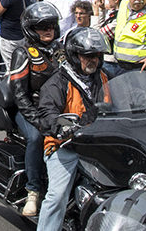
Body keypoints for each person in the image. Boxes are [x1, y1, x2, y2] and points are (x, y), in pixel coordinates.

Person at [36, 27, 111, 231]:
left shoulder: (103, 77)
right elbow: (46, 114)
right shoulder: (58, 82)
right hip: (66, 146)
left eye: (96, 55)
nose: (92, 60)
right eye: (87, 55)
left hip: (98, 144)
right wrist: (67, 126)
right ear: (75, 56)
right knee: (57, 195)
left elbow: (123, 99)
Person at [8, 2, 62, 217]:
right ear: (31, 29)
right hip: (30, 108)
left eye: (50, 25)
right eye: (42, 26)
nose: (48, 30)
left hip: (56, 108)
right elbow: (19, 93)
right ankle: (33, 191)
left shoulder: (60, 50)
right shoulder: (23, 52)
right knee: (37, 137)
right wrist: (37, 120)